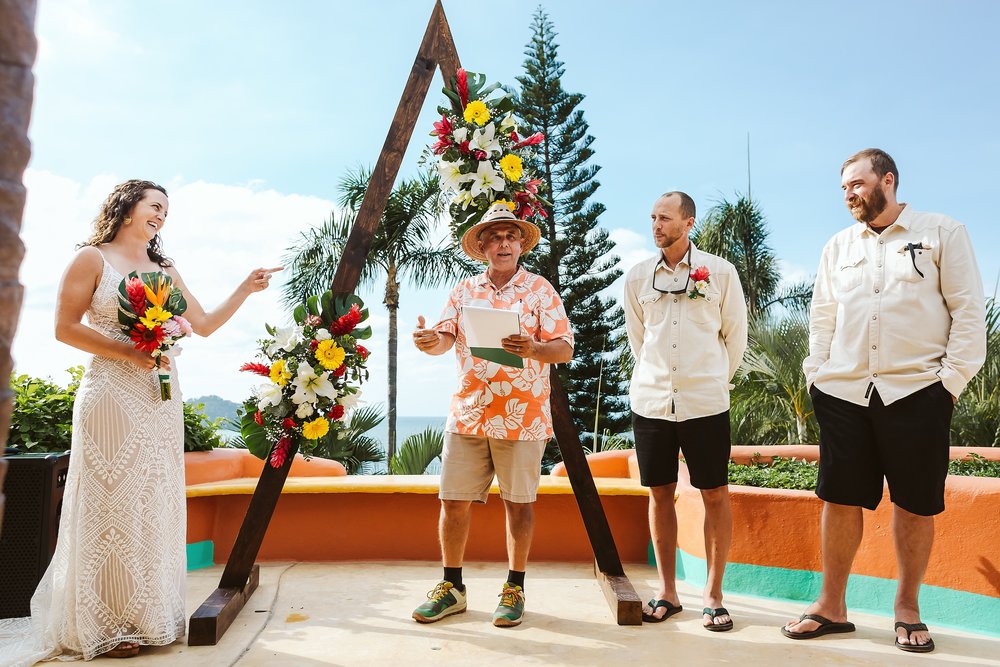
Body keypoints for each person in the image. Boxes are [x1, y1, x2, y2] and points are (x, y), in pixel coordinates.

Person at [0, 179, 280, 663]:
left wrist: (246, 289)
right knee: (111, 502)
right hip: (109, 392)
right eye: (155, 206)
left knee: (151, 501)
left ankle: (147, 616)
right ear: (127, 209)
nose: (161, 217)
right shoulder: (92, 259)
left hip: (159, 398)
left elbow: (206, 324)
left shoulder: (165, 267)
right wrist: (130, 352)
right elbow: (64, 328)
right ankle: (107, 623)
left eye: (166, 211)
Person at [782, 149, 986, 652]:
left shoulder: (942, 232)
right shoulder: (837, 246)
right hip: (844, 391)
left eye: (856, 183)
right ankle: (831, 607)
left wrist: (948, 385)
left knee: (915, 503)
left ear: (887, 180)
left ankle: (908, 609)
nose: (848, 194)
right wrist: (817, 377)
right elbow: (822, 317)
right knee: (839, 498)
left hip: (919, 391)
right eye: (843, 188)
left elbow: (967, 311)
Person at [410, 202, 573, 628]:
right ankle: (452, 588)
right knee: (452, 501)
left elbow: (565, 348)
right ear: (481, 246)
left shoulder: (541, 290)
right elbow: (445, 338)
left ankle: (514, 588)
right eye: (494, 237)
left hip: (524, 418)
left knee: (519, 505)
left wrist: (535, 349)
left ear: (521, 243)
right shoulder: (463, 291)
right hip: (468, 412)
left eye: (510, 236)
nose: (503, 243)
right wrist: (429, 340)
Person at [623, 191, 747, 630]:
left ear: (688, 223)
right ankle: (668, 593)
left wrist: (710, 380)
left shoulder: (720, 273)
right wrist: (662, 380)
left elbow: (735, 338)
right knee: (660, 492)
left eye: (665, 218)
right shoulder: (638, 277)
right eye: (652, 217)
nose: (656, 225)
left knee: (714, 493)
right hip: (653, 402)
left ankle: (713, 596)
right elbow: (639, 341)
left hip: (705, 403)